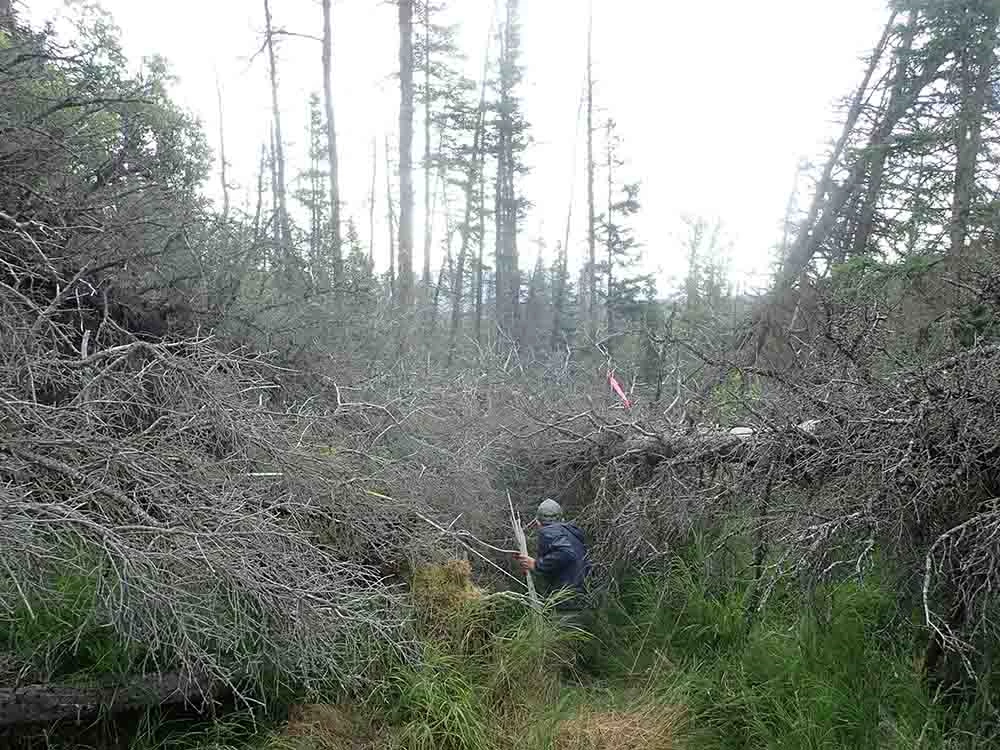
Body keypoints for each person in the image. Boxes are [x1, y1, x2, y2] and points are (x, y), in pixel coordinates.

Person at [514, 498, 591, 625]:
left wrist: (537, 564)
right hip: (583, 598)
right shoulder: (570, 533)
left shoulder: (549, 532)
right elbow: (563, 562)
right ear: (562, 519)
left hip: (566, 603)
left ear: (538, 522)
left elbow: (566, 553)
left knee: (562, 641)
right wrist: (533, 566)